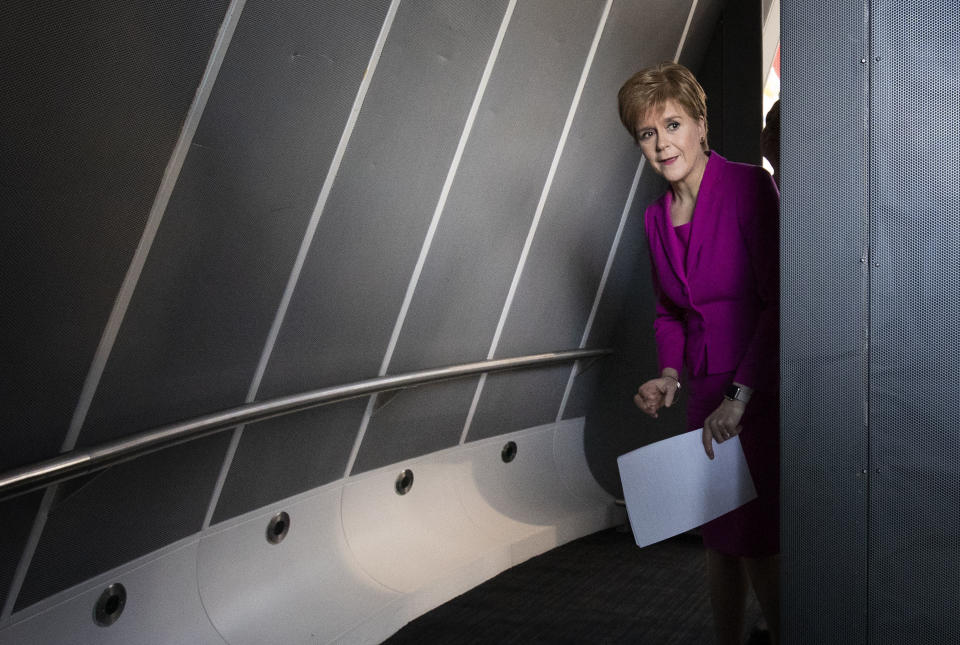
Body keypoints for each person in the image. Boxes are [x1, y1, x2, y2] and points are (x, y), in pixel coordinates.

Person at [618, 62, 780, 645]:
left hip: (755, 392)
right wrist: (668, 374)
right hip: (705, 395)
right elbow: (671, 312)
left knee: (757, 542)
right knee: (718, 541)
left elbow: (778, 304)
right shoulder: (656, 220)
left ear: (700, 123)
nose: (662, 144)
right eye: (646, 133)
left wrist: (741, 397)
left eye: (673, 124)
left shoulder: (747, 187)